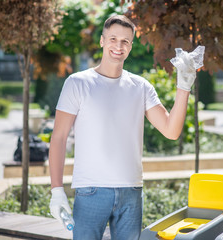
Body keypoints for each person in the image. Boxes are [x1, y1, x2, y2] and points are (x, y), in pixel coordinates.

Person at [49, 14, 198, 240]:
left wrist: (183, 87)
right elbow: (58, 138)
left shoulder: (141, 87)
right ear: (102, 41)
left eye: (125, 41)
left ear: (131, 46)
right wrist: (56, 190)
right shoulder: (78, 83)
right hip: (91, 191)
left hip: (131, 191)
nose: (118, 46)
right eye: (113, 39)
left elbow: (171, 130)